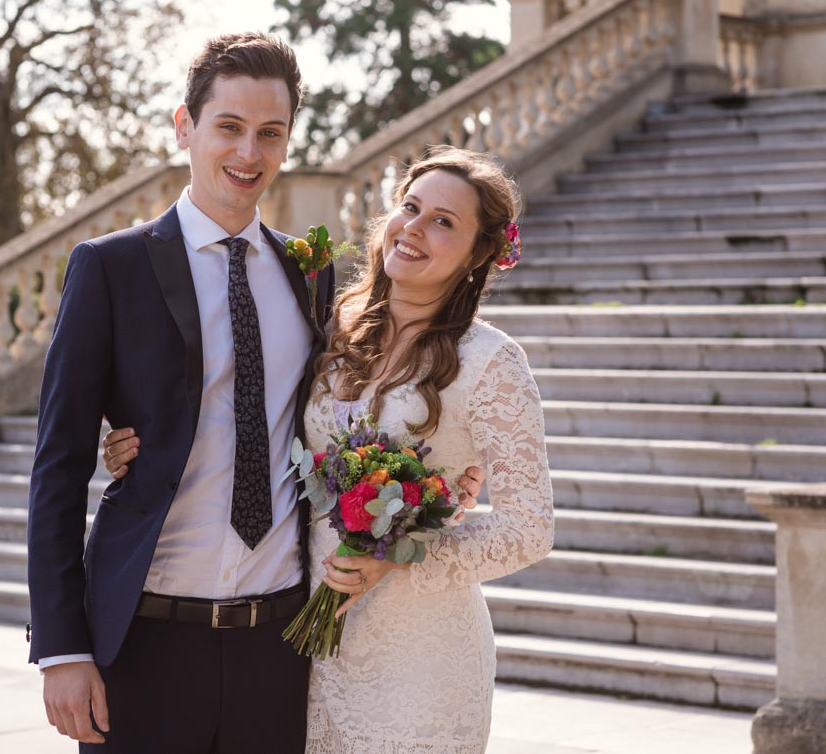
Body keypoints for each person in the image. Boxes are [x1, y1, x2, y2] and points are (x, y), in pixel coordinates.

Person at [27, 32, 484, 754]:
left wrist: (442, 479)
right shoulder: (110, 269)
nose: (249, 152)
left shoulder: (311, 275)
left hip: (277, 647)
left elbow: (343, 417)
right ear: (185, 126)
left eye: (271, 132)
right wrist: (62, 648)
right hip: (142, 640)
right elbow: (56, 467)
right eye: (230, 127)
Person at [106, 146, 555, 753]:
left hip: (422, 657)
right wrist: (140, 444)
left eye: (443, 222)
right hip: (306, 651)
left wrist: (402, 555)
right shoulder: (332, 326)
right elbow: (251, 419)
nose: (414, 228)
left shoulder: (490, 362)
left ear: (479, 254)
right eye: (411, 207)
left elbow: (530, 529)